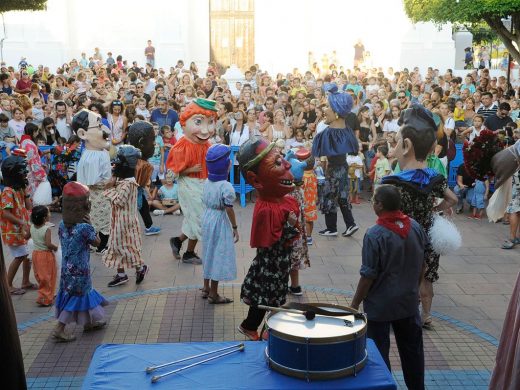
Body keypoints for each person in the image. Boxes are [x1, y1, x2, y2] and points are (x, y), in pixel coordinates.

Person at [382, 105, 457, 328]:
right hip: (428, 233)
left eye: (396, 142)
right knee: (426, 277)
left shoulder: (394, 181)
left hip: (402, 234)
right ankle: (426, 315)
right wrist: (435, 210)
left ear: (406, 146)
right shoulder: (433, 177)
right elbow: (452, 198)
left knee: (402, 274)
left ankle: (403, 313)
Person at [351, 184, 426, 390]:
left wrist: (355, 303)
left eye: (374, 200)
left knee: (378, 355)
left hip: (380, 308)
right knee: (413, 353)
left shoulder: (375, 234)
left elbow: (368, 276)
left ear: (380, 205)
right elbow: (422, 265)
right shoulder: (416, 227)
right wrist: (415, 289)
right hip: (408, 304)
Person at [237, 137, 300, 341]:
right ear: (256, 180)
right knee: (268, 299)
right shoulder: (267, 210)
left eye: (282, 158)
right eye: (278, 162)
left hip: (278, 265)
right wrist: (290, 225)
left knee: (271, 299)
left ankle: (262, 328)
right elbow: (274, 240)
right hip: (271, 265)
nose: (287, 164)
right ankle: (255, 328)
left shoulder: (282, 202)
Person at [54, 182, 108, 342]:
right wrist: (91, 224)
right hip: (81, 269)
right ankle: (59, 328)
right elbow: (97, 243)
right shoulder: (85, 228)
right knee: (76, 296)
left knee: (81, 293)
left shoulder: (63, 224)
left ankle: (88, 323)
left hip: (67, 268)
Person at [168, 99, 218, 264]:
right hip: (189, 184)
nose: (205, 130)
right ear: (184, 124)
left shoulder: (206, 144)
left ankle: (179, 242)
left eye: (210, 123)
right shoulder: (181, 146)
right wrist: (189, 170)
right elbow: (172, 173)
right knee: (199, 218)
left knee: (194, 218)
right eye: (198, 122)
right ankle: (189, 252)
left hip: (203, 183)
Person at [312, 83, 359, 237]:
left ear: (337, 112)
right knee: (341, 196)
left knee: (330, 197)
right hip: (342, 167)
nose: (325, 110)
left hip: (334, 169)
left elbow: (317, 152)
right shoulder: (348, 132)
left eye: (328, 108)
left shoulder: (327, 134)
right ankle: (346, 224)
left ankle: (334, 227)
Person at [103, 146, 149, 287]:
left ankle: (140, 268)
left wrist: (108, 189)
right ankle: (121, 274)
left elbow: (119, 201)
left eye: (118, 164)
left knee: (127, 247)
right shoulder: (123, 181)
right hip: (118, 221)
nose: (115, 167)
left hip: (125, 223)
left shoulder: (128, 184)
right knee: (116, 246)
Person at [200, 144, 238, 304]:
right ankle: (213, 294)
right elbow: (229, 209)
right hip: (219, 221)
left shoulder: (207, 182)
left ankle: (206, 287)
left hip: (207, 217)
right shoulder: (226, 186)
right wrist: (235, 227)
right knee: (218, 253)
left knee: (208, 250)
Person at [74, 109, 112, 253]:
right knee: (99, 221)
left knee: (106, 220)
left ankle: (102, 243)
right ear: (83, 134)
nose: (106, 130)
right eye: (100, 126)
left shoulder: (101, 152)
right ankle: (99, 245)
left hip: (104, 196)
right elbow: (91, 182)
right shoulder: (91, 157)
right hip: (97, 198)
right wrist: (111, 182)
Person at [1, 153, 34, 295]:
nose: (25, 175)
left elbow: (28, 207)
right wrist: (21, 222)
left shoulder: (19, 189)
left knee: (27, 256)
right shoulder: (8, 191)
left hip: (22, 230)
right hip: (13, 230)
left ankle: (25, 281)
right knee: (20, 256)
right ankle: (8, 284)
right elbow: (5, 213)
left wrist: (26, 192)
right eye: (22, 172)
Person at [127, 121, 162, 236]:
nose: (155, 143)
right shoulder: (133, 160)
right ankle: (129, 230)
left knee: (143, 206)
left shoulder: (138, 158)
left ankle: (148, 226)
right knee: (132, 208)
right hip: (130, 190)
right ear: (142, 142)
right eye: (152, 140)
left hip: (137, 190)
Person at [285, 149, 310, 296]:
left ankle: (284, 285)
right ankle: (295, 286)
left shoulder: (287, 194)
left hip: (290, 233)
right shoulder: (300, 191)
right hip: (299, 232)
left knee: (287, 260)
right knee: (294, 262)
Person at [27, 205, 57, 307]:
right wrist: (56, 247)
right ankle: (46, 298)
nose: (50, 214)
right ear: (45, 218)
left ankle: (45, 294)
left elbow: (26, 236)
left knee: (40, 276)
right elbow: (48, 244)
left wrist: (22, 229)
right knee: (49, 276)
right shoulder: (46, 229)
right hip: (46, 255)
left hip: (36, 254)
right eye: (48, 212)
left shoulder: (31, 227)